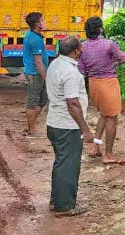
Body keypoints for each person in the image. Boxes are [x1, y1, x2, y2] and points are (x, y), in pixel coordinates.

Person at [77, 16, 125, 165]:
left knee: (104, 115)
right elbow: (124, 59)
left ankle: (96, 146)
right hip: (108, 83)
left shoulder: (83, 46)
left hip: (93, 84)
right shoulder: (109, 44)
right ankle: (108, 154)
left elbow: (80, 69)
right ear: (100, 29)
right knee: (112, 118)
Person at [45, 36, 92, 217]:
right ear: (76, 51)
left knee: (61, 163)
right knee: (69, 166)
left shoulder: (55, 64)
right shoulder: (71, 73)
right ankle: (64, 206)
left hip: (54, 123)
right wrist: (85, 129)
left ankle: (56, 200)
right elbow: (72, 103)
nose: (82, 50)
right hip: (67, 126)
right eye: (80, 48)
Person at [22, 12, 49, 137]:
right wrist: (46, 78)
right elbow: (38, 62)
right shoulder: (35, 39)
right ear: (37, 24)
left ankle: (30, 125)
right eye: (42, 19)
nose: (44, 22)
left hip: (36, 73)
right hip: (35, 74)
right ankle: (31, 129)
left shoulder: (34, 36)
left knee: (43, 99)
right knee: (32, 102)